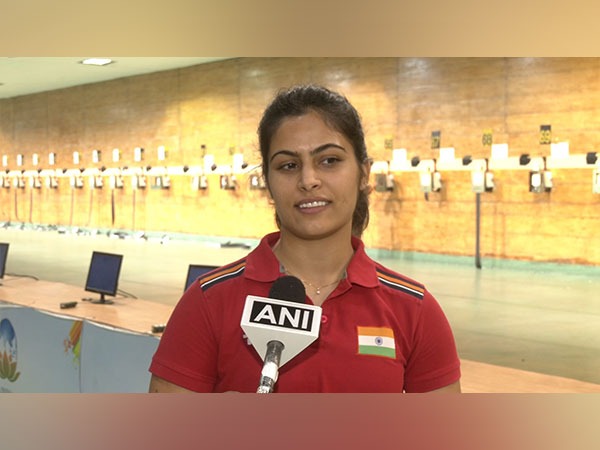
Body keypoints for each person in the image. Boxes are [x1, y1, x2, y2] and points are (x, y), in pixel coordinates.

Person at [148, 84, 461, 393]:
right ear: (267, 183)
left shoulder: (414, 309)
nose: (308, 180)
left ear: (364, 173)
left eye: (329, 160)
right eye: (288, 165)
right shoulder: (208, 300)